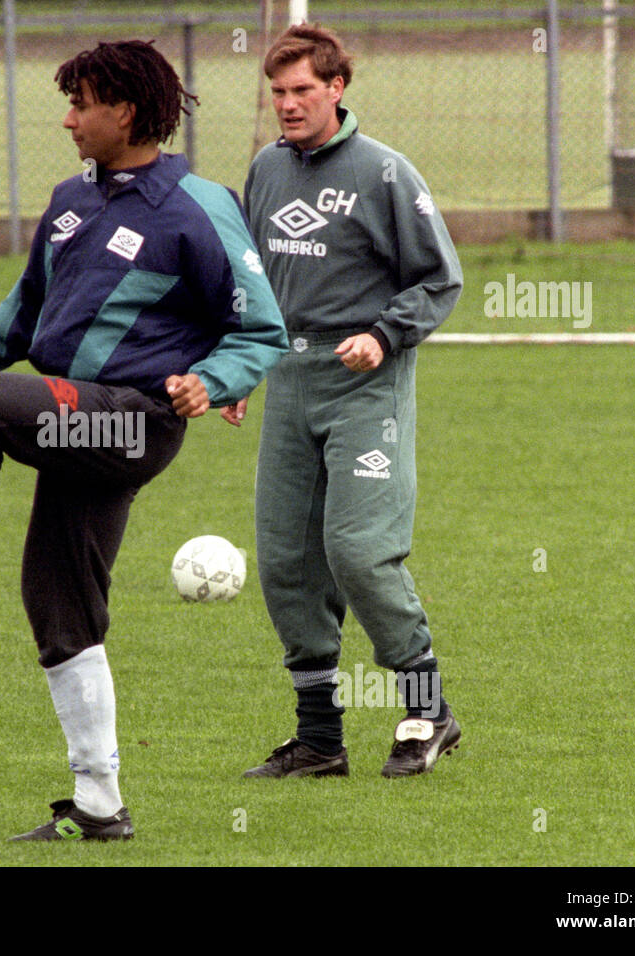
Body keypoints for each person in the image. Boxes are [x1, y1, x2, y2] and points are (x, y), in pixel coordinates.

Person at [0, 40, 287, 839]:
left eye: (82, 104)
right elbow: (26, 310)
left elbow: (260, 327)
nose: (68, 119)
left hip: (131, 418)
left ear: (127, 112)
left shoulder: (198, 206)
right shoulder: (71, 201)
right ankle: (101, 807)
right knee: (61, 609)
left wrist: (215, 380)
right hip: (77, 416)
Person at [230, 24, 464, 779]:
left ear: (337, 88)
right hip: (289, 382)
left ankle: (428, 710)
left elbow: (439, 279)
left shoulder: (387, 174)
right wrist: (235, 367)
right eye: (278, 93)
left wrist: (385, 334)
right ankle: (320, 742)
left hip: (366, 385)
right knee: (286, 565)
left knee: (360, 552)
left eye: (302, 91)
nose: (288, 105)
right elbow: (253, 282)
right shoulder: (265, 170)